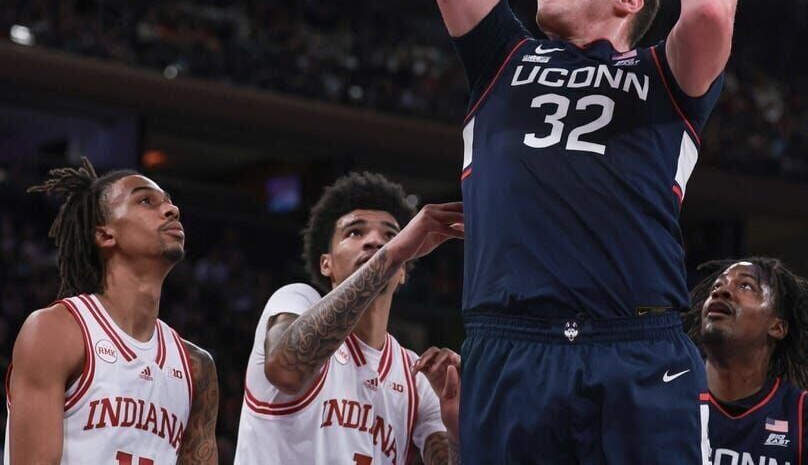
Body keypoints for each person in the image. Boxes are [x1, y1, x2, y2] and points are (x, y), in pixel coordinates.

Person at [422, 0, 746, 462]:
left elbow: (712, 9)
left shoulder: (667, 77)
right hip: (511, 347)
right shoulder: (500, 59)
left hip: (638, 347)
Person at [234, 170, 463, 465]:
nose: (376, 242)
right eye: (355, 232)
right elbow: (286, 371)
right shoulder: (295, 301)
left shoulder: (415, 375)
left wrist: (459, 430)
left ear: (404, 272)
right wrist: (391, 255)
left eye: (391, 236)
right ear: (326, 264)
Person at [4, 158, 218, 464]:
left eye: (170, 203)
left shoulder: (196, 367)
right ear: (105, 235)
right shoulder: (58, 330)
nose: (172, 210)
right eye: (146, 201)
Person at [690, 257, 808, 464]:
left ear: (777, 327)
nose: (720, 291)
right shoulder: (668, 395)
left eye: (746, 286)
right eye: (717, 285)